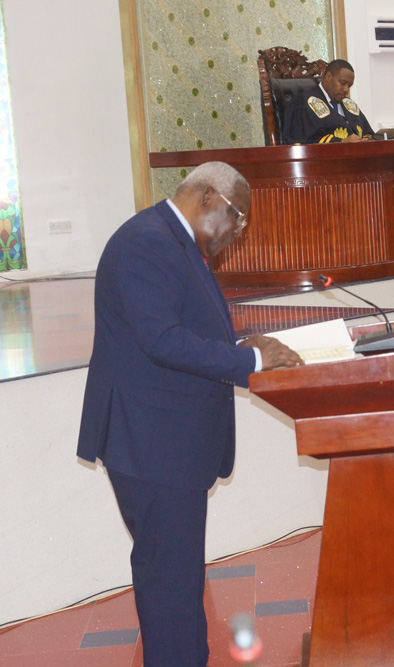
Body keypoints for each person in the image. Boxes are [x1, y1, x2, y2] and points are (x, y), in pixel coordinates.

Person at [77, 162, 304, 666]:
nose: (239, 230)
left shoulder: (173, 241)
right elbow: (162, 340)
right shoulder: (147, 242)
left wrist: (242, 348)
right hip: (151, 443)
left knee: (177, 582)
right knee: (170, 587)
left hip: (166, 440)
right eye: (237, 216)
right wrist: (250, 361)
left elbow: (183, 332)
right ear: (206, 197)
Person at [281, 59, 375, 145]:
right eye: (343, 83)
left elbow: (368, 134)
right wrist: (341, 142)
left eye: (349, 86)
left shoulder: (349, 104)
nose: (346, 89)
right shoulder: (302, 103)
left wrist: (367, 140)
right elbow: (301, 142)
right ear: (329, 77)